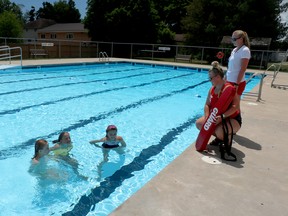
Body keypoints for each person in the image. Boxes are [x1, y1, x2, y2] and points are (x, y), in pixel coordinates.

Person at [196, 61, 241, 160]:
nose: (209, 80)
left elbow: (235, 107)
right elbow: (207, 105)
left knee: (219, 131)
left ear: (218, 77)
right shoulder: (212, 89)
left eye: (210, 78)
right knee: (200, 123)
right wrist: (207, 116)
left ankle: (225, 139)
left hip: (232, 119)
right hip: (216, 117)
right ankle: (219, 139)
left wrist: (222, 117)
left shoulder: (230, 89)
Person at [226, 30, 251, 98]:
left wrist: (236, 84)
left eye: (234, 39)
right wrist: (225, 78)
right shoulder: (234, 50)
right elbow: (230, 67)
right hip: (229, 81)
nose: (232, 41)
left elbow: (242, 69)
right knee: (228, 105)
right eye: (232, 39)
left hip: (236, 83)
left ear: (241, 39)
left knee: (234, 106)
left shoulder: (245, 50)